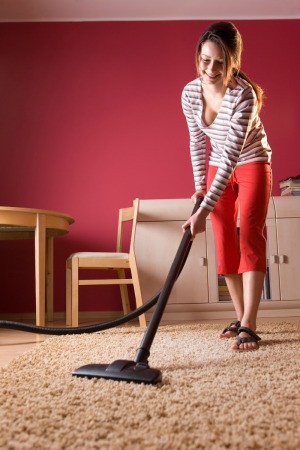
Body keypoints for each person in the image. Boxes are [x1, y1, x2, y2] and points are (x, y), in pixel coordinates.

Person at [182, 21, 272, 351]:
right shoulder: (190, 94)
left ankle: (250, 322)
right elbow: (196, 142)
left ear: (232, 61)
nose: (211, 69)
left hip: (251, 161)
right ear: (198, 57)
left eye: (220, 62)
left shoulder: (243, 96)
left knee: (249, 232)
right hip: (218, 165)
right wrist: (199, 188)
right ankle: (240, 318)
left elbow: (233, 154)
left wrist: (202, 210)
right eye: (205, 60)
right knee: (223, 239)